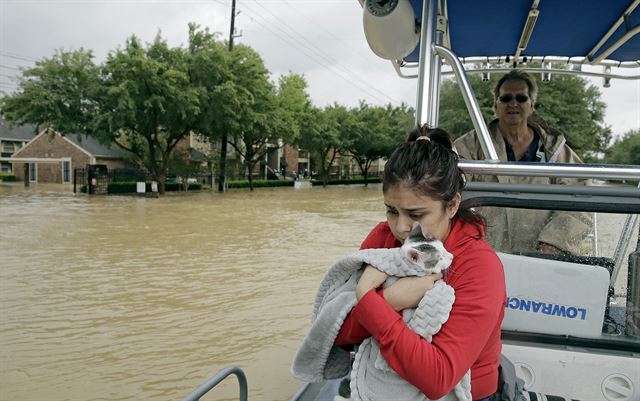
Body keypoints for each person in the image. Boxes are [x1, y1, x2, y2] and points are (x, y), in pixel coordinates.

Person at [335, 126, 506, 401]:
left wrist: (373, 301)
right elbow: (337, 334)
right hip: (380, 382)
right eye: (391, 210)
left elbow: (438, 379)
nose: (400, 227)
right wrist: (389, 302)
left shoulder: (479, 266)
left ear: (451, 205)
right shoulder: (382, 237)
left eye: (416, 214)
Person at [453, 69, 592, 255]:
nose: (513, 103)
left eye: (521, 98)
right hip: (484, 254)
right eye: (505, 98)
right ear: (496, 105)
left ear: (532, 105)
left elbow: (582, 198)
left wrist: (555, 242)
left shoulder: (554, 150)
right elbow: (449, 192)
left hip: (541, 259)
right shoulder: (469, 146)